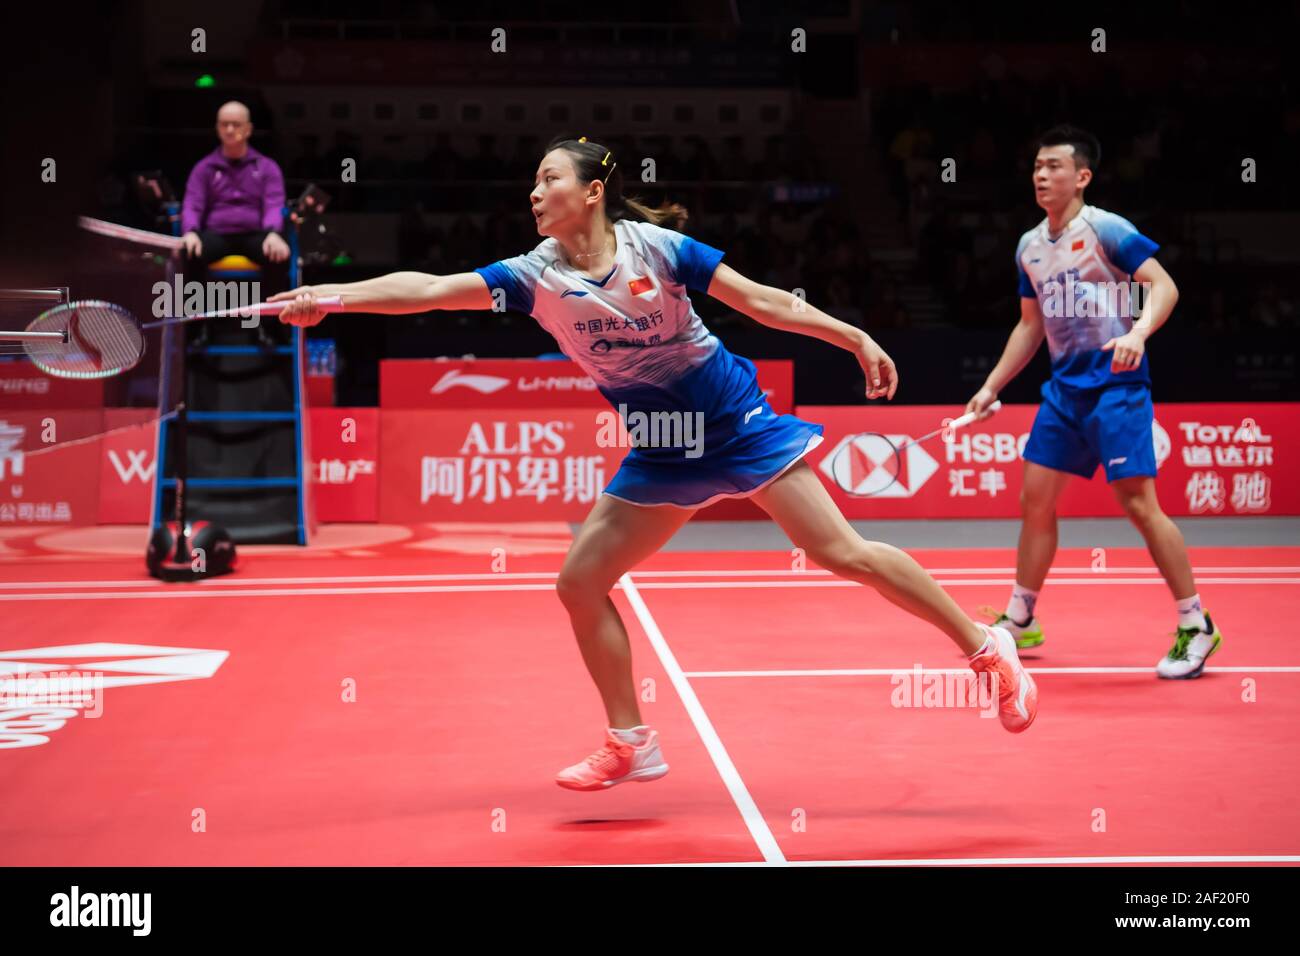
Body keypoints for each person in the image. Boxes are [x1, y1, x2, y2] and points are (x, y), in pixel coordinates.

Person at [270, 135, 1039, 791]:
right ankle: (632, 742)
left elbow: (765, 301)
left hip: (736, 425)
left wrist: (854, 337)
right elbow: (431, 291)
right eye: (534, 180)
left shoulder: (659, 250)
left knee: (839, 552)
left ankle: (986, 646)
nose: (535, 191)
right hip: (663, 449)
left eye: (550, 178)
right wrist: (332, 295)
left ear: (593, 190)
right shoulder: (536, 276)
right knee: (578, 582)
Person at [965, 125, 1224, 679]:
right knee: (1035, 500)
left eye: (1054, 166)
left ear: (1081, 176)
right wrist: (991, 386)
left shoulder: (1107, 229)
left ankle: (1196, 623)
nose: (1042, 175)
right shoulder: (1028, 246)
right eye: (1037, 166)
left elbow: (1163, 286)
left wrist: (1139, 333)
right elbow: (1029, 326)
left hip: (1117, 386)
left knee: (1138, 505)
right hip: (1064, 392)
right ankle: (1021, 617)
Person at [180, 101, 290, 273]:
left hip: (255, 234)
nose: (230, 130)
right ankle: (194, 301)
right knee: (188, 252)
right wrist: (191, 231)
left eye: (236, 125)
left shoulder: (267, 167)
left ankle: (271, 301)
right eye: (224, 124)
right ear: (217, 128)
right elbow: (192, 204)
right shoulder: (204, 168)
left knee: (278, 253)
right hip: (216, 234)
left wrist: (273, 232)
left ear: (248, 129)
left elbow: (274, 204)